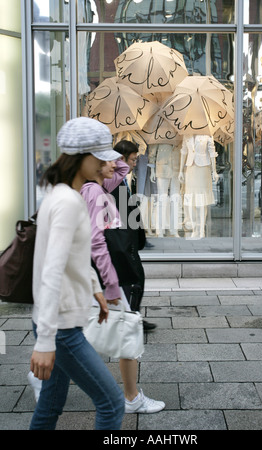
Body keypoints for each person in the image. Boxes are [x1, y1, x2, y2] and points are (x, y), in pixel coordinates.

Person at [29, 117, 125, 430]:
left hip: (57, 320)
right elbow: (51, 271)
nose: (105, 165)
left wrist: (95, 287)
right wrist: (45, 341)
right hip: (61, 327)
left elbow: (73, 256)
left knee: (51, 405)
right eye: (99, 158)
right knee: (112, 403)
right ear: (80, 158)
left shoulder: (59, 194)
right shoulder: (69, 202)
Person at [80, 142, 165, 415]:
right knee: (128, 332)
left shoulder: (92, 187)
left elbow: (124, 168)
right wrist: (113, 283)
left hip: (96, 276)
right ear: (93, 164)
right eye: (107, 161)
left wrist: (112, 161)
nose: (115, 166)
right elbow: (97, 242)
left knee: (77, 334)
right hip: (107, 276)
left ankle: (46, 375)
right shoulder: (97, 193)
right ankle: (131, 398)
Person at [111, 140, 156, 330]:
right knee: (135, 279)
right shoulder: (112, 180)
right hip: (122, 241)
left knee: (132, 280)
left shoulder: (119, 179)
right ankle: (131, 319)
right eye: (133, 160)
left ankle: (131, 316)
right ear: (122, 159)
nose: (135, 164)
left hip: (127, 240)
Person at [178, 134, 219, 239]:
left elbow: (212, 153)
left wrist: (214, 171)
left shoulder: (207, 134)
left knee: (202, 201)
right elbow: (183, 152)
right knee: (190, 200)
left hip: (203, 168)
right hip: (190, 169)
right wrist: (181, 170)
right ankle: (194, 228)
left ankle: (201, 229)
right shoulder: (187, 134)